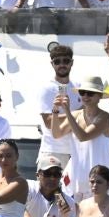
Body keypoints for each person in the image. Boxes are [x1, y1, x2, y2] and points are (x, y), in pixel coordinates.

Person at [36, 42, 81, 184]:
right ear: (52, 64)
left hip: (75, 152)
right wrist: (76, 114)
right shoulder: (46, 89)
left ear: (72, 63)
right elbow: (49, 122)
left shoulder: (79, 88)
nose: (62, 64)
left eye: (66, 61)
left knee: (71, 201)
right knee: (47, 196)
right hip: (52, 151)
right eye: (57, 61)